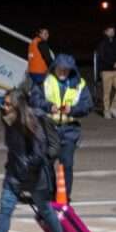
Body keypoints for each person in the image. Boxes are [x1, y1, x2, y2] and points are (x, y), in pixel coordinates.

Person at [0, 90, 72, 232]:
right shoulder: (9, 122)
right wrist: (13, 166)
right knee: (5, 208)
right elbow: (14, 149)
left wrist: (26, 167)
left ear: (17, 106)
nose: (3, 107)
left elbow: (39, 152)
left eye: (7, 104)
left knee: (46, 210)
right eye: (3, 103)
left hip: (35, 176)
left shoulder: (32, 123)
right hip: (14, 175)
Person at [31, 54, 92, 201]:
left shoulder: (80, 84)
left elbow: (87, 105)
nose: (63, 72)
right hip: (48, 129)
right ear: (55, 68)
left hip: (69, 130)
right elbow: (34, 99)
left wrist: (72, 110)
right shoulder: (45, 81)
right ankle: (50, 192)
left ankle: (64, 196)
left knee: (67, 164)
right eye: (60, 69)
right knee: (46, 162)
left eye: (66, 70)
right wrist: (48, 107)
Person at [96, 26, 116, 119]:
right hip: (106, 70)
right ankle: (106, 110)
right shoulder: (102, 43)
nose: (113, 32)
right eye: (110, 30)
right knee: (107, 92)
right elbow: (102, 57)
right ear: (105, 32)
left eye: (113, 30)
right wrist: (112, 64)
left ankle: (114, 107)